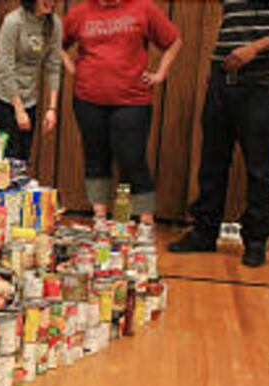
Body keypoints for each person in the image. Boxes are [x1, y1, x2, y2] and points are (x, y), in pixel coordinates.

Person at [169, 1, 269, 267]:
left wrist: (255, 48)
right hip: (221, 80)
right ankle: (204, 232)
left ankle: (256, 240)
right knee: (211, 163)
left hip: (259, 82)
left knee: (258, 167)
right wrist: (215, 71)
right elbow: (232, 25)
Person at [62, 0, 182, 237]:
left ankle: (145, 222)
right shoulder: (80, 12)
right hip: (88, 99)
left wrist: (160, 74)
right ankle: (99, 218)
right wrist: (73, 69)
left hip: (132, 101)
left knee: (132, 159)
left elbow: (174, 41)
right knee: (95, 157)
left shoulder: (143, 8)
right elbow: (57, 43)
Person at [0, 0, 62, 166]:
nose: (51, 2)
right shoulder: (14, 21)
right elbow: (5, 65)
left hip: (29, 95)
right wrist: (19, 109)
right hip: (5, 94)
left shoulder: (54, 24)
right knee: (11, 151)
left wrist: (52, 108)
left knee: (24, 152)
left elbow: (54, 66)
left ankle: (19, 189)